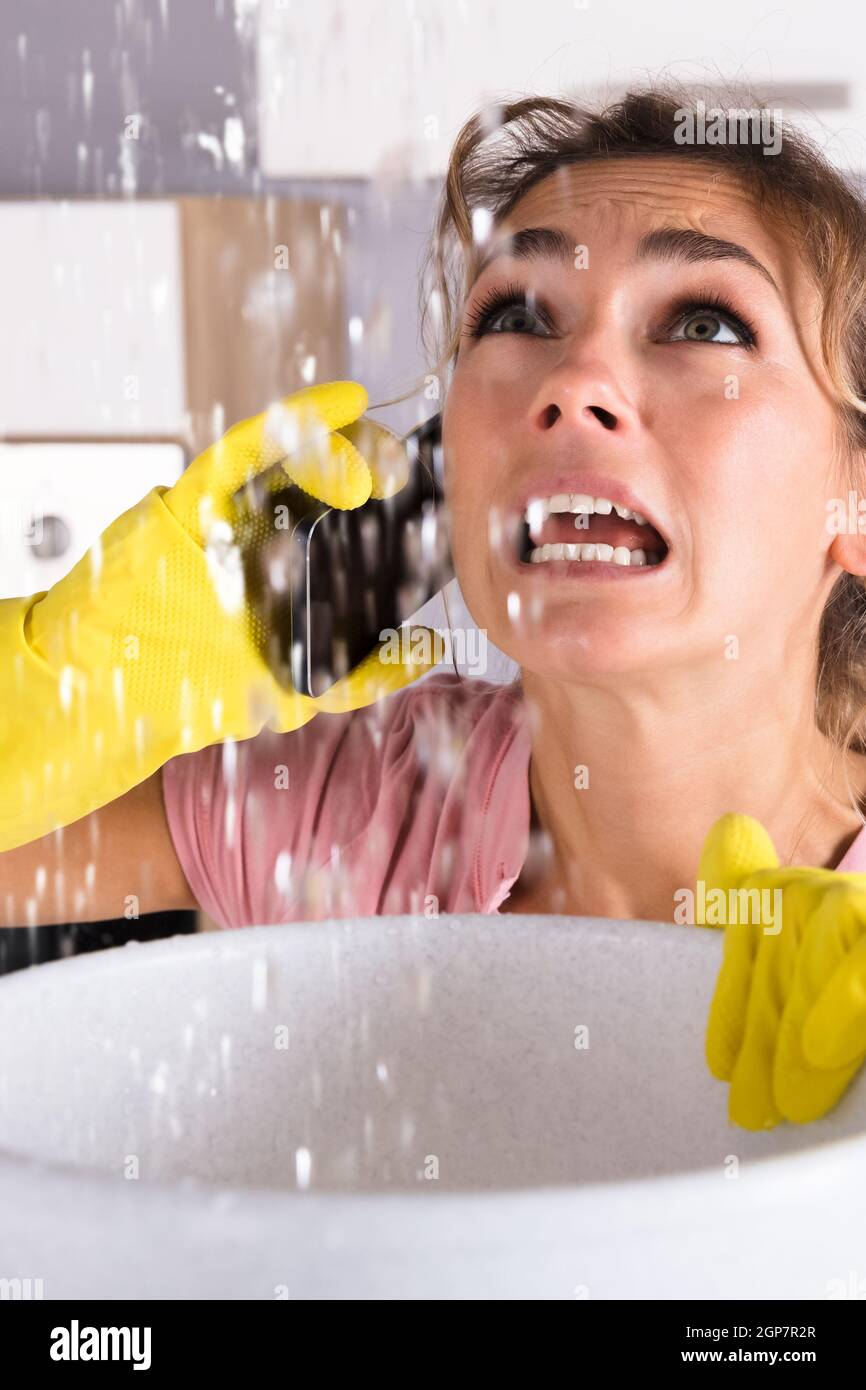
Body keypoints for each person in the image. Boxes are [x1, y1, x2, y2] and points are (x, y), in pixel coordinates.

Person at [5, 80, 866, 1128]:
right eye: (515, 315)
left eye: (701, 321)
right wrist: (79, 679)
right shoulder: (361, 806)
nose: (575, 378)